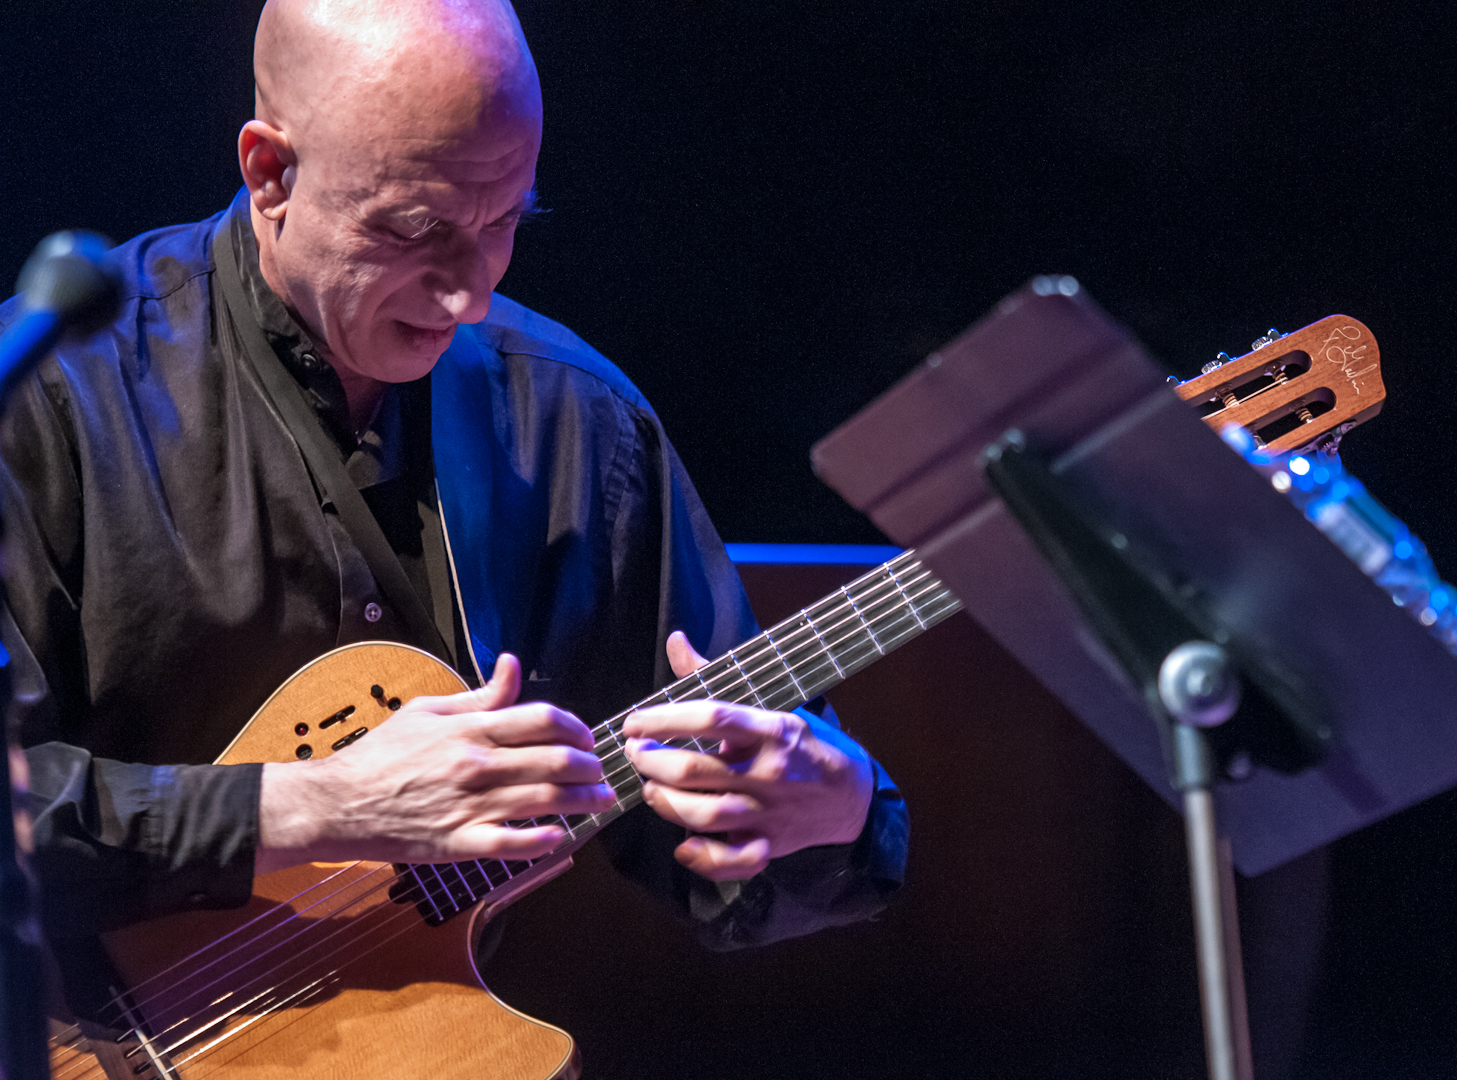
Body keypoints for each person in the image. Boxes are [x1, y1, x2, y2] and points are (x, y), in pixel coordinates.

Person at [0, 0, 907, 1014]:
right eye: (416, 229)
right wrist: (316, 808)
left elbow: (713, 861)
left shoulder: (572, 420)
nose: (469, 294)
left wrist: (831, 810)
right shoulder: (53, 394)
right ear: (269, 173)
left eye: (505, 223)